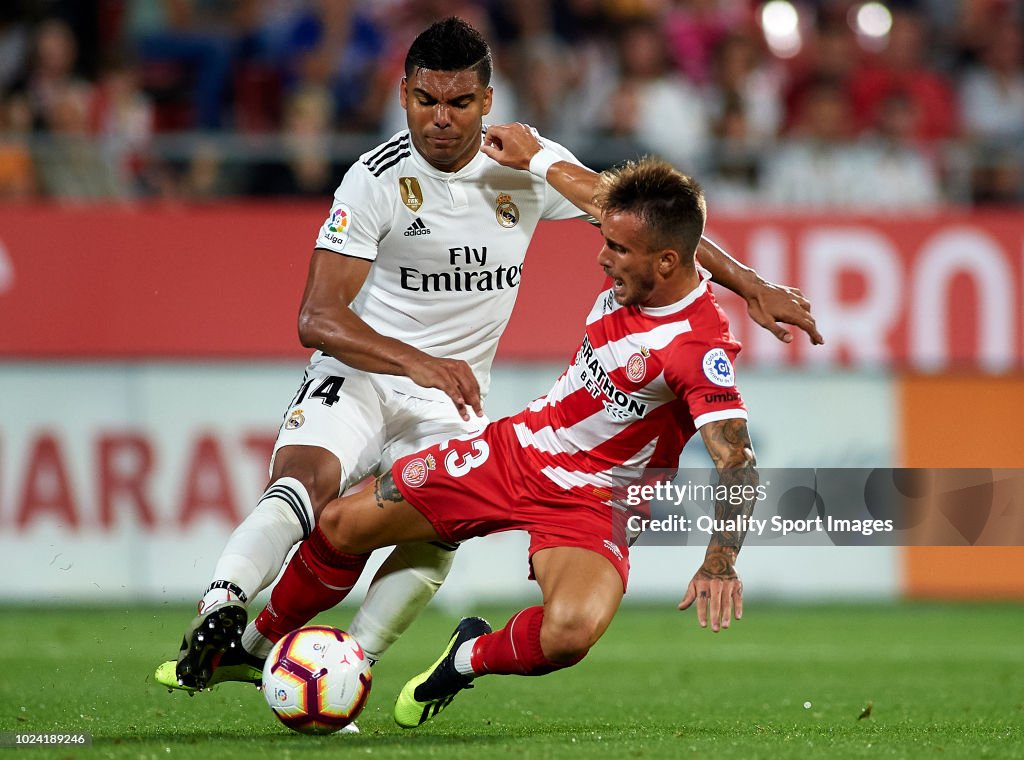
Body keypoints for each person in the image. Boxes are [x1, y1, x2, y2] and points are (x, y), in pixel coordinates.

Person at [155, 17, 819, 697]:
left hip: (481, 416)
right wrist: (417, 360)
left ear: (487, 101)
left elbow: (650, 221)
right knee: (313, 498)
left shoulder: (531, 171)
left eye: (460, 103)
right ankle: (230, 622)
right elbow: (317, 318)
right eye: (426, 101)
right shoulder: (375, 177)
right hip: (378, 376)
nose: (441, 119)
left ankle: (350, 669)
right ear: (404, 93)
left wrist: (754, 285)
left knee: (448, 555)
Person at [262, 157, 757, 728]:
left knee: (569, 634)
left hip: (598, 502)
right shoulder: (638, 247)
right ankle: (258, 641)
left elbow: (738, 463)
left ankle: (465, 657)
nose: (603, 256)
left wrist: (719, 561)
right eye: (607, 239)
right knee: (342, 525)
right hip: (515, 452)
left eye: (618, 250)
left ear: (667, 262)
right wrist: (535, 156)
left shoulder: (697, 348)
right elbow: (585, 189)